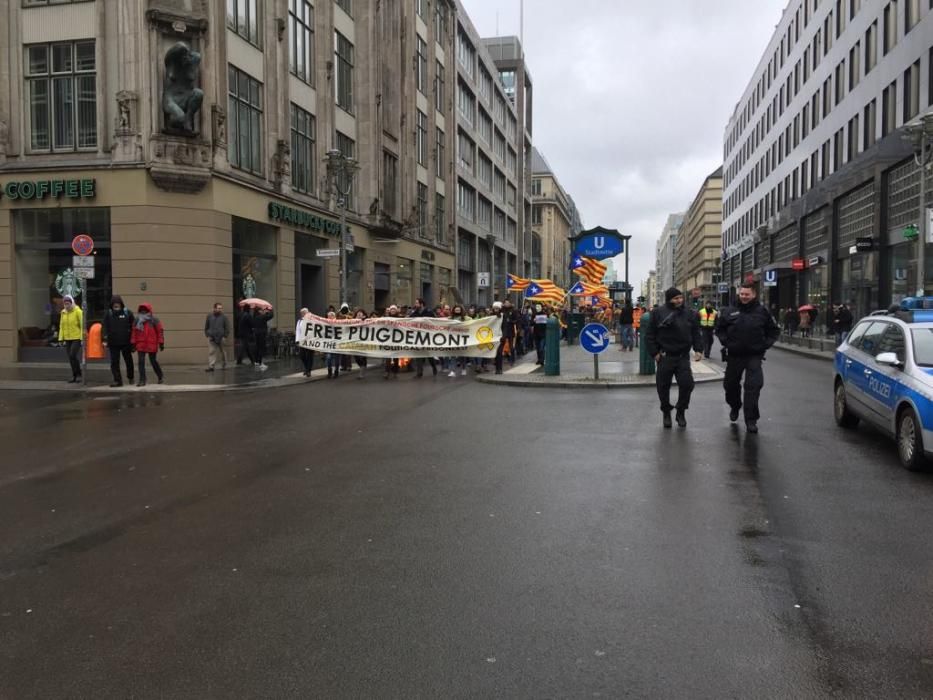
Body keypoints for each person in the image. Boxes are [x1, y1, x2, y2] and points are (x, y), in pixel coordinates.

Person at [715, 283, 780, 434]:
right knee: (730, 386)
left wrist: (765, 345)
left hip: (754, 356)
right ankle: (735, 405)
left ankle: (751, 420)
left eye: (747, 294)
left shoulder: (762, 312)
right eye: (742, 294)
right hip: (734, 356)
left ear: (754, 295)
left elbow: (774, 331)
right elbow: (720, 329)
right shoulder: (729, 311)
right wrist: (726, 342)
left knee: (753, 387)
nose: (744, 297)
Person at [645, 287, 703, 428]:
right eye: (676, 298)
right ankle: (666, 412)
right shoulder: (658, 313)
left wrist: (698, 349)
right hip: (665, 357)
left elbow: (696, 332)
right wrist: (655, 354)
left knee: (687, 384)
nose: (679, 300)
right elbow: (650, 335)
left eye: (680, 298)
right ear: (669, 299)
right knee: (663, 387)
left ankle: (681, 411)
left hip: (682, 357)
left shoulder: (689, 313)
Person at [102, 295, 135, 387]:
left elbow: (134, 327)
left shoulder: (128, 313)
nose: (116, 305)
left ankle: (131, 377)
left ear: (121, 304)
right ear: (111, 304)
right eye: (114, 304)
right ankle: (117, 380)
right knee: (114, 362)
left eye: (118, 303)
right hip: (113, 342)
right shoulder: (108, 314)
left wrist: (133, 342)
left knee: (128, 361)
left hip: (126, 342)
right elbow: (104, 327)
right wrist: (104, 339)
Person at [131, 303, 165, 387]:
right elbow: (134, 332)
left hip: (151, 343)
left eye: (145, 310)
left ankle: (160, 376)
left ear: (148, 310)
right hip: (141, 343)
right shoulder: (137, 320)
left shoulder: (154, 320)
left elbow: (160, 331)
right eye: (141, 310)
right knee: (141, 362)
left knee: (153, 361)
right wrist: (133, 343)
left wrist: (161, 342)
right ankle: (142, 379)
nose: (143, 312)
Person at [58, 294, 84, 383]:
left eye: (68, 303)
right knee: (70, 357)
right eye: (65, 303)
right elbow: (61, 326)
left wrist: (82, 338)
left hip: (76, 337)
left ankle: (79, 374)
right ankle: (74, 375)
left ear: (72, 303)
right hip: (67, 338)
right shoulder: (63, 312)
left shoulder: (78, 311)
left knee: (73, 355)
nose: (67, 305)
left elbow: (82, 325)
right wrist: (61, 338)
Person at [410, 297, 438, 378]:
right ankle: (419, 373)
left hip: (427, 336)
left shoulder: (429, 312)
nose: (415, 304)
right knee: (419, 355)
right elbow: (408, 320)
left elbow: (435, 322)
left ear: (421, 304)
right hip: (418, 337)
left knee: (428, 354)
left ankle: (434, 367)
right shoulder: (414, 312)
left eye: (416, 303)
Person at [204, 302, 230, 372]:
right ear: (214, 308)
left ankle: (224, 365)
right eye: (219, 308)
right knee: (211, 352)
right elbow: (206, 326)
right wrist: (207, 334)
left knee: (223, 352)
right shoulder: (209, 316)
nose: (220, 309)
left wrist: (225, 336)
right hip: (212, 337)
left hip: (221, 338)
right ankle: (211, 366)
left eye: (221, 308)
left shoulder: (224, 317)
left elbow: (227, 327)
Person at [250, 305, 274, 370]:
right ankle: (261, 363)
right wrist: (270, 310)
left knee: (257, 347)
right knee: (261, 348)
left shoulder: (254, 317)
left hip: (256, 334)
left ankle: (256, 362)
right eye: (261, 310)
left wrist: (265, 312)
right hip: (262, 334)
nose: (262, 311)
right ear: (259, 311)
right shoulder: (262, 317)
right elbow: (271, 316)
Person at [383, 305, 402, 379]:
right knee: (388, 356)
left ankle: (395, 372)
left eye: (394, 309)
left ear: (396, 310)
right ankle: (387, 372)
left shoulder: (400, 318)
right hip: (388, 339)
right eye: (391, 309)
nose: (393, 311)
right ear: (390, 311)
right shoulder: (386, 318)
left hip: (397, 340)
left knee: (396, 357)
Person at [296, 307, 314, 377]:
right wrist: (297, 340)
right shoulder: (300, 321)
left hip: (310, 340)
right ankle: (307, 368)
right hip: (302, 341)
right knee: (302, 355)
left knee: (310, 356)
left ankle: (308, 370)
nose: (302, 314)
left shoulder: (312, 320)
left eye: (303, 313)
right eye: (302, 313)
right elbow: (298, 331)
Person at [353, 308, 369, 379]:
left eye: (361, 313)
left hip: (364, 342)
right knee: (356, 357)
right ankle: (363, 367)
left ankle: (362, 373)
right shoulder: (352, 321)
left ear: (364, 315)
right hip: (355, 342)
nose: (359, 314)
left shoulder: (367, 321)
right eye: (358, 313)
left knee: (363, 357)